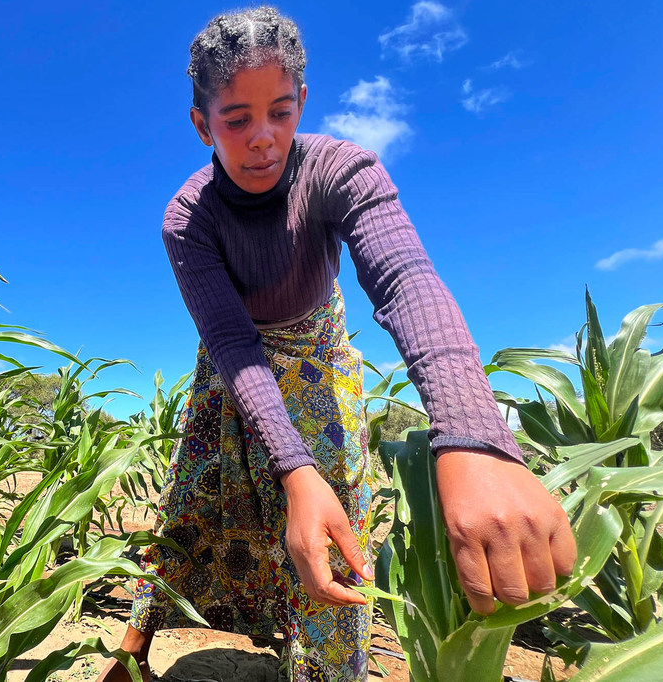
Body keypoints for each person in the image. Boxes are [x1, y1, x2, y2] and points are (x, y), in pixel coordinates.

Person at [96, 7, 576, 682]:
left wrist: (474, 435)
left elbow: (406, 282)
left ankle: (325, 670)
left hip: (319, 358)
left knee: (337, 520)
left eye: (281, 112)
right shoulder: (188, 217)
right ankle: (131, 654)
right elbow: (231, 340)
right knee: (190, 497)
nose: (263, 138)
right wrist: (292, 471)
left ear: (302, 104)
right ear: (202, 124)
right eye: (237, 119)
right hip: (233, 367)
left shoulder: (339, 170)